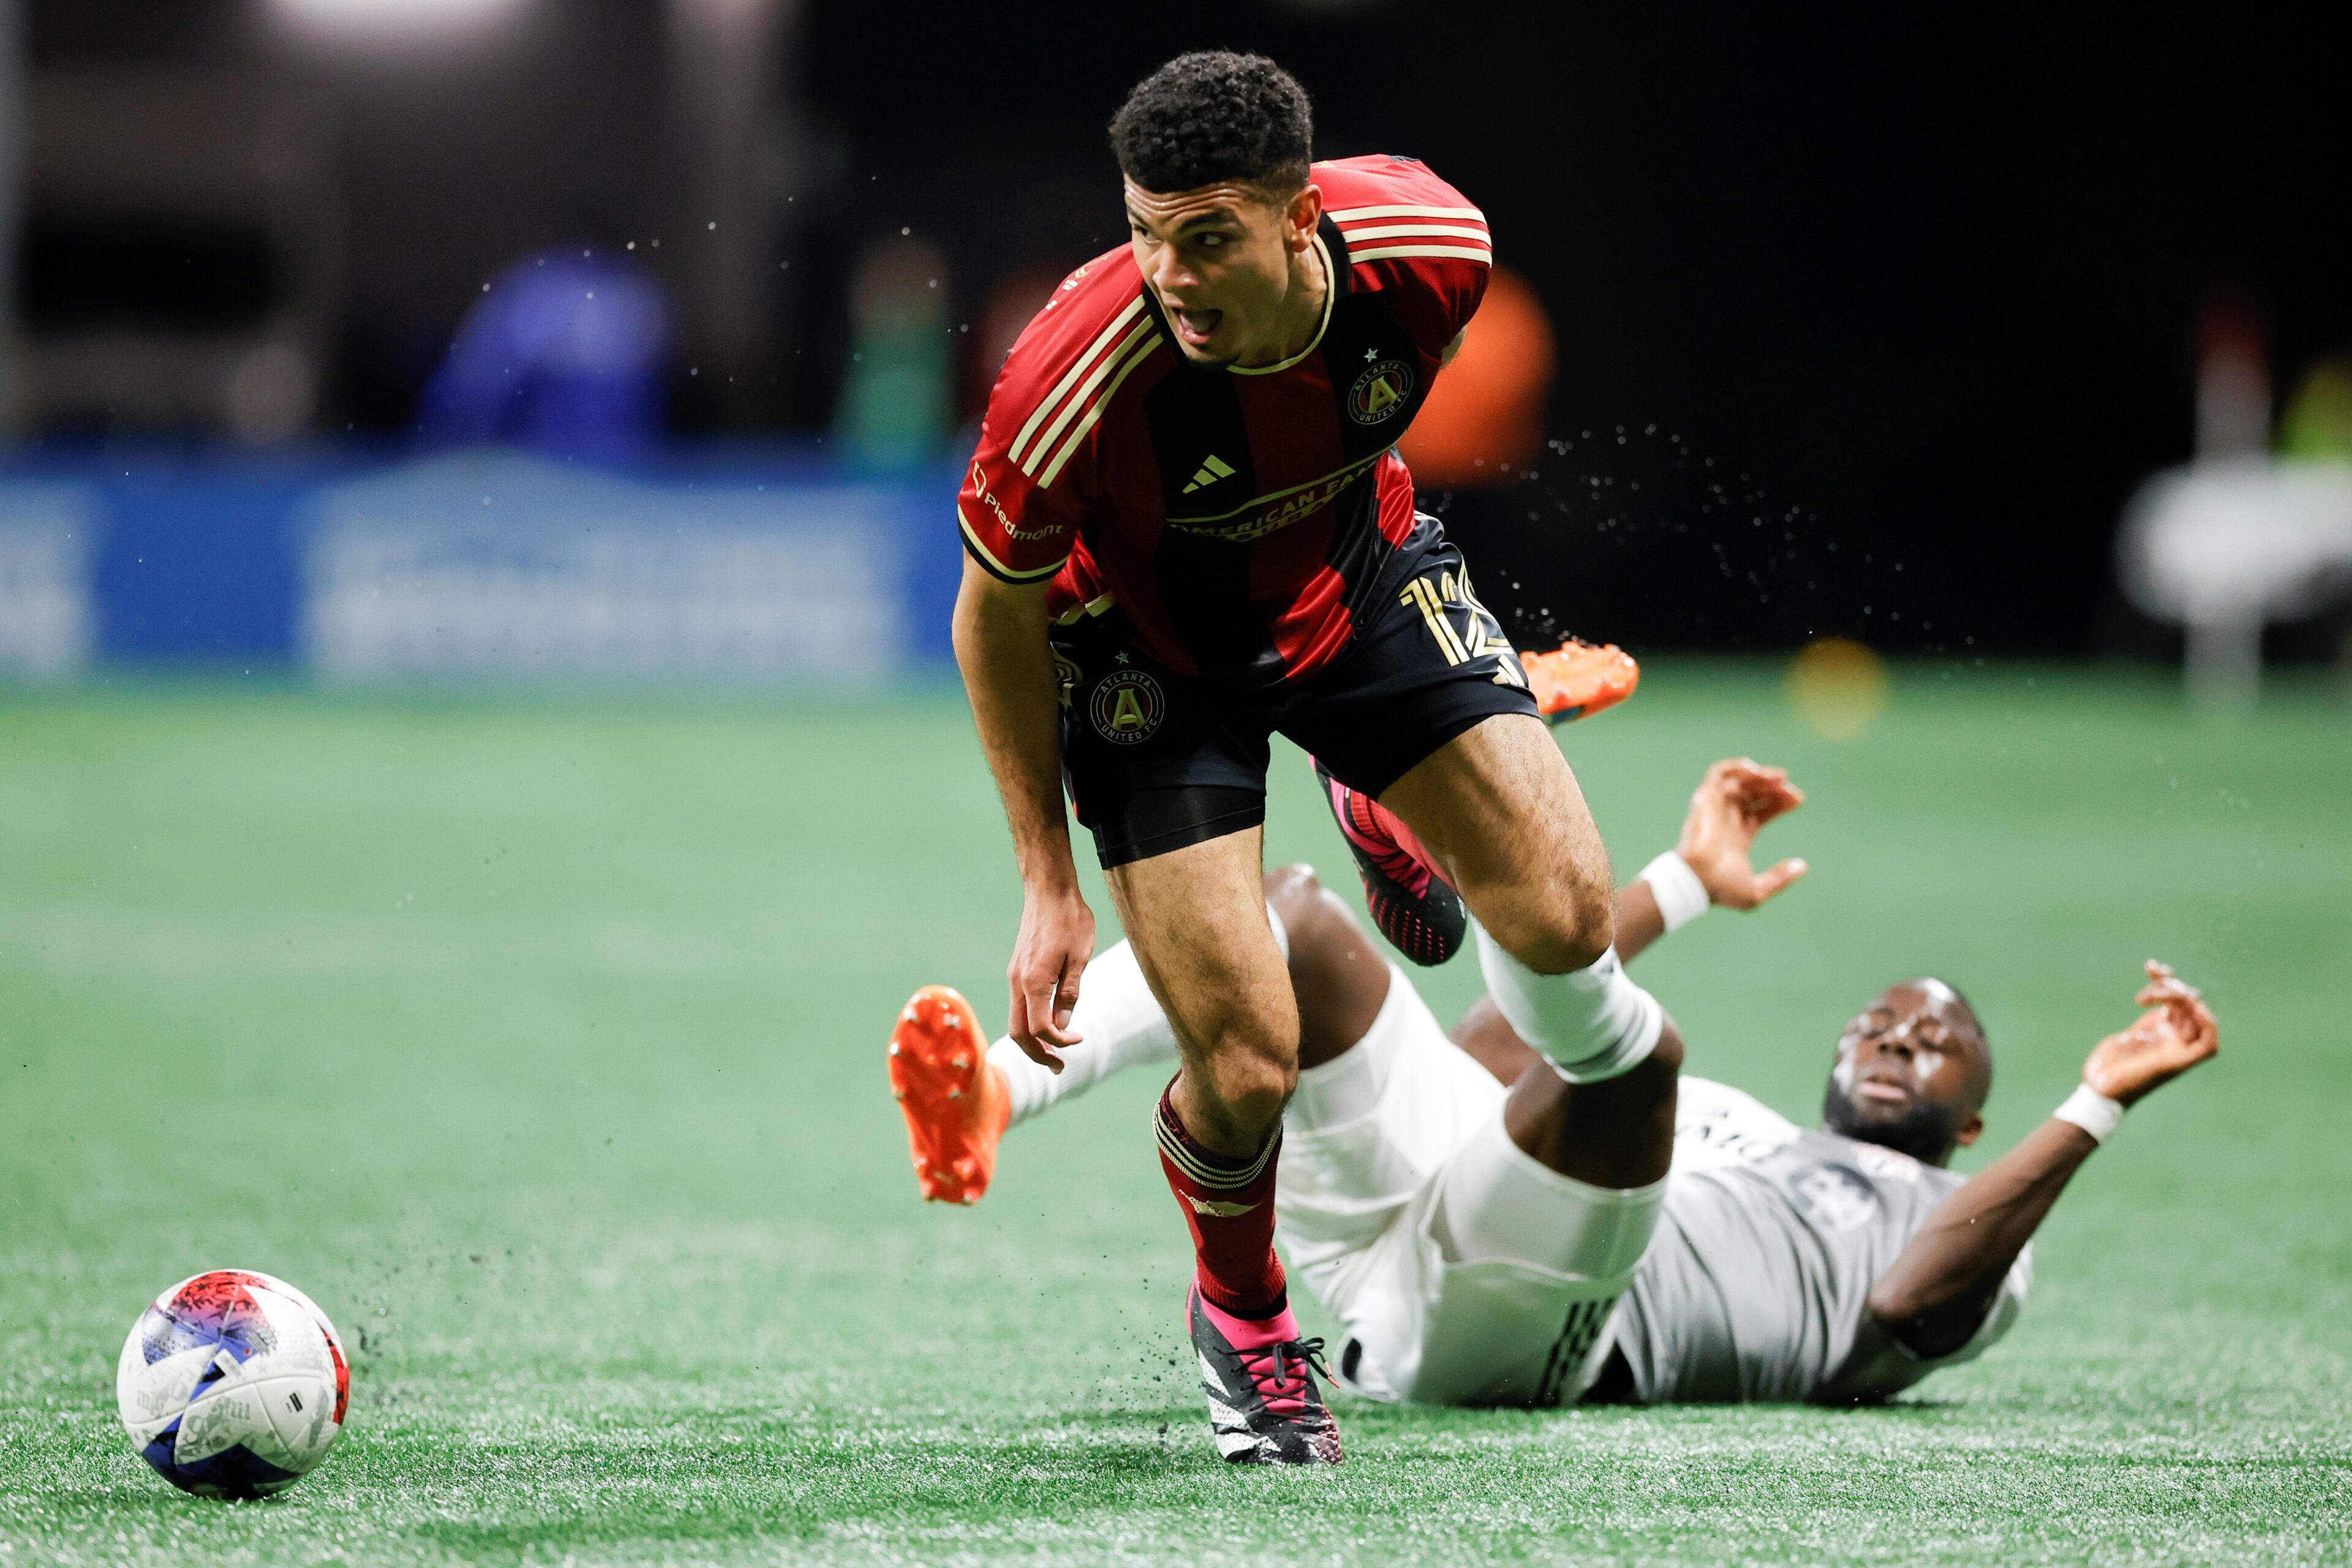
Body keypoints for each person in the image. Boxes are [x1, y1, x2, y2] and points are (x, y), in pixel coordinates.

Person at [952, 50, 1669, 1464]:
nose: (1168, 271)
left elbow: (1358, 443)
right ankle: (1248, 1315)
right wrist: (1046, 870)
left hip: (1358, 579)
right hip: (1144, 659)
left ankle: (1371, 775)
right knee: (1249, 1059)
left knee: (1567, 914)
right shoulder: (1067, 378)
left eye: (1205, 235)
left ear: (1300, 216)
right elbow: (993, 615)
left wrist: (1415, 691)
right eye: (1144, 230)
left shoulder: (1436, 250)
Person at [889, 757, 2220, 1430]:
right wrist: (1685, 881)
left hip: (1539, 1341)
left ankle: (1469, 816)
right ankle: (999, 1096)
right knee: (1290, 919)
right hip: (1413, 1243)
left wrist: (2096, 1101)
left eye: (1936, 1043)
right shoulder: (1744, 1123)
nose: (1898, 1033)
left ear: (1977, 1118)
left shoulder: (1979, 1239)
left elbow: (1907, 1304)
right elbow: (1485, 1059)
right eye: (1883, 1016)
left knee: (1633, 1059)